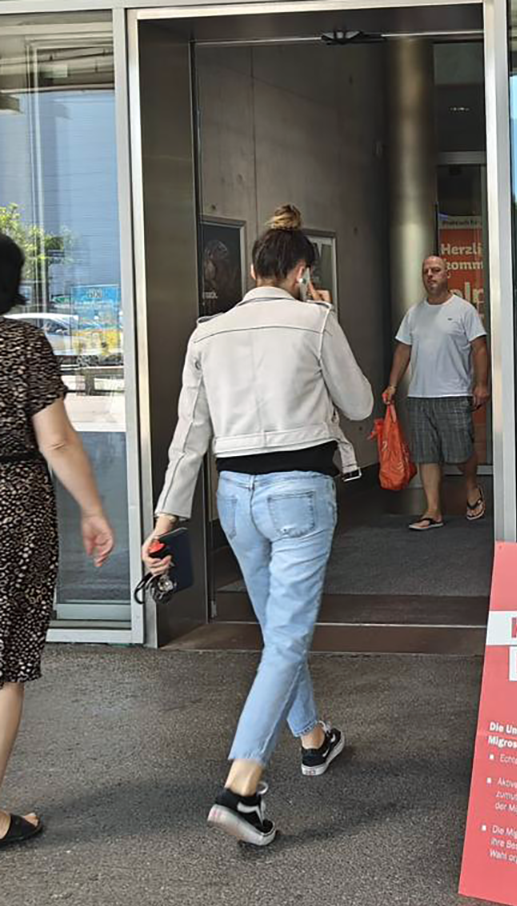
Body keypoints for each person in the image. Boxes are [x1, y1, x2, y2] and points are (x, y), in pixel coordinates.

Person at [144, 205, 374, 847]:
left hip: (236, 496)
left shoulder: (208, 333)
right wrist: (324, 320)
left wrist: (165, 519)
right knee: (287, 636)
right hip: (299, 492)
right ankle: (241, 786)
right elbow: (358, 402)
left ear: (251, 269)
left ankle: (312, 739)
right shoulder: (314, 319)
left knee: (279, 629)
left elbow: (189, 437)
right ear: (302, 272)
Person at [0, 234, 116, 850]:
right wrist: (94, 510)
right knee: (3, 667)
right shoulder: (19, 344)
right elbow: (59, 442)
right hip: (11, 509)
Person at [382, 255, 489, 531]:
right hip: (419, 396)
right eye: (426, 271)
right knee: (426, 455)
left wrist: (481, 384)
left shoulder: (464, 310)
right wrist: (393, 384)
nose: (430, 275)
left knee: (461, 451)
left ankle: (471, 487)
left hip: (454, 393)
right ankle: (433, 510)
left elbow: (479, 348)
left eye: (436, 270)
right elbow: (403, 350)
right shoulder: (414, 314)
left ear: (447, 274)